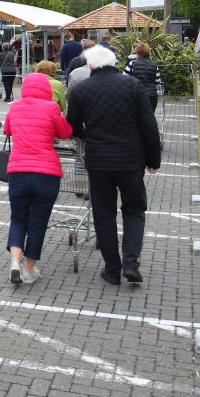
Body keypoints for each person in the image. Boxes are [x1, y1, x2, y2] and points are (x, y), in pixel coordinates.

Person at [65, 46, 161, 285]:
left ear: (90, 66)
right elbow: (148, 124)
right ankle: (131, 263)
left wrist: (88, 134)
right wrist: (153, 159)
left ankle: (111, 268)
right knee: (134, 210)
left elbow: (72, 127)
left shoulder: (81, 89)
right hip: (131, 160)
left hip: (99, 161)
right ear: (114, 62)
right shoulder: (133, 85)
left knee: (104, 214)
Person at [3, 72, 73, 284]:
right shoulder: (51, 108)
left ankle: (15, 262)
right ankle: (28, 270)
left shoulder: (14, 107)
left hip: (18, 172)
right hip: (46, 174)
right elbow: (65, 133)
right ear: (46, 89)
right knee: (38, 222)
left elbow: (7, 129)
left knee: (18, 219)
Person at [123, 42, 162, 112]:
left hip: (136, 95)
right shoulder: (154, 65)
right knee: (149, 118)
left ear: (137, 54)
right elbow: (157, 81)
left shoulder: (132, 64)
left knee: (136, 118)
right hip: (151, 96)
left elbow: (124, 78)